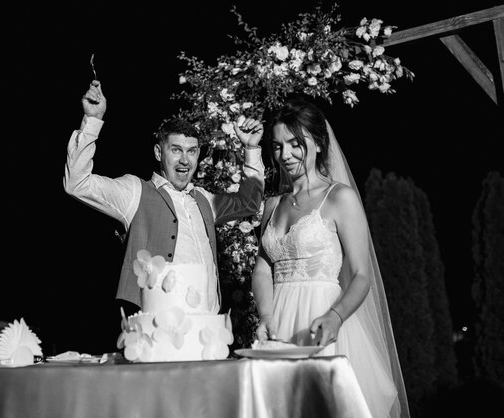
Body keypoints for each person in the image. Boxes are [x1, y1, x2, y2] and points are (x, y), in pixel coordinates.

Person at [251, 98, 410, 418]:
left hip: (322, 320)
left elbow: (362, 274)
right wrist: (266, 315)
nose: (286, 155)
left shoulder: (340, 197)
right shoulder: (272, 205)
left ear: (319, 144)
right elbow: (263, 268)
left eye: (296, 144)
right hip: (279, 325)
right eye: (278, 146)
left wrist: (336, 316)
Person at [64, 80, 265, 317]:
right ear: (159, 152)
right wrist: (93, 121)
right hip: (157, 324)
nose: (184, 160)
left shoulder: (203, 199)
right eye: (176, 149)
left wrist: (251, 150)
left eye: (191, 151)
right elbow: (77, 183)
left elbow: (249, 203)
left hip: (207, 322)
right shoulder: (135, 191)